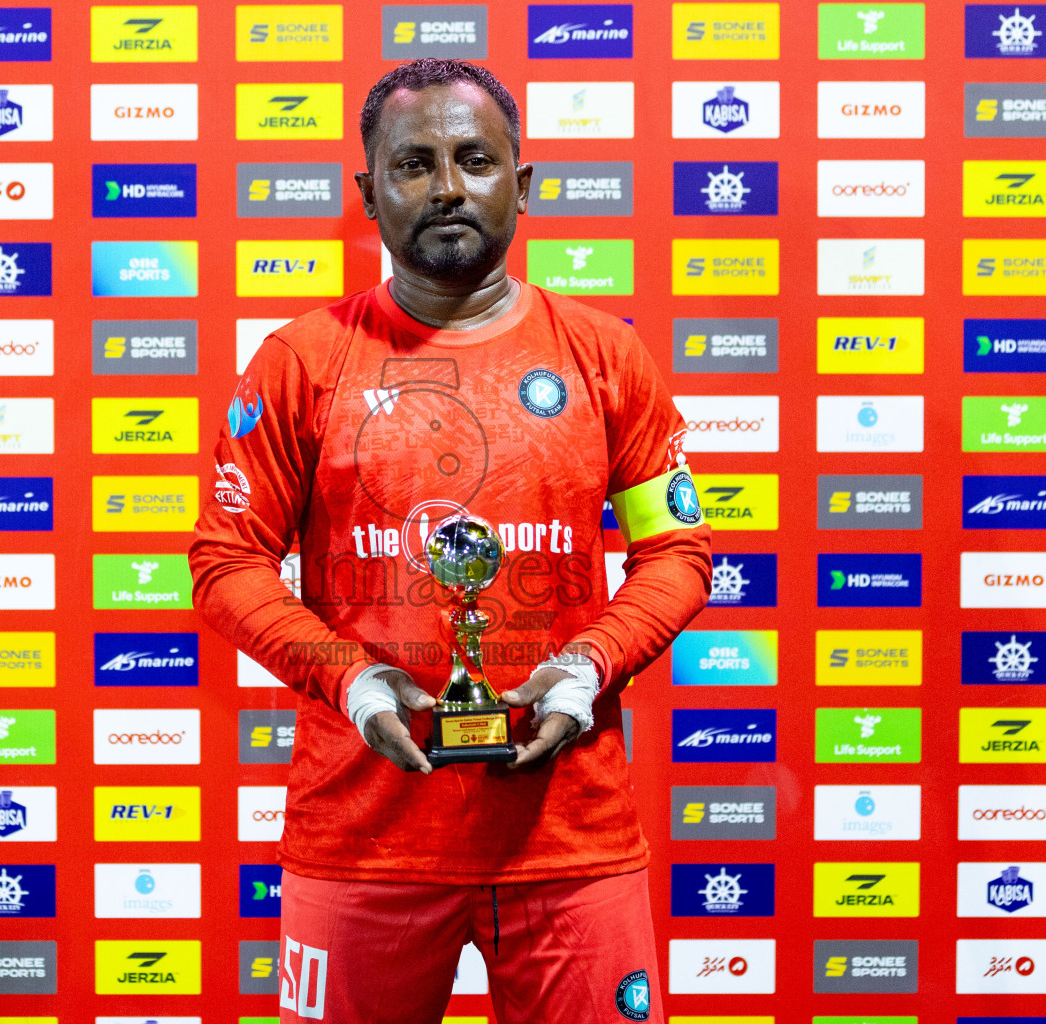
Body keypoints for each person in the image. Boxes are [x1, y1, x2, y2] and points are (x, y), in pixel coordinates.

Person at [190, 59, 713, 1024]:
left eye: (475, 160)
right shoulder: (301, 362)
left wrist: (589, 665)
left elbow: (678, 552)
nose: (446, 187)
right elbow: (227, 562)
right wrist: (346, 674)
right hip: (362, 839)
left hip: (570, 837)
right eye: (413, 164)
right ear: (369, 192)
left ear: (522, 181)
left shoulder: (605, 357)